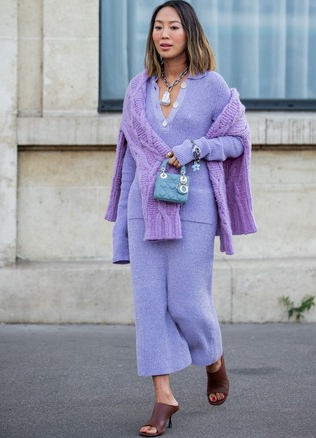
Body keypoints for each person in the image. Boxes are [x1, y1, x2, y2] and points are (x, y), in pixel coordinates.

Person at [105, 1, 256, 435]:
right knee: (151, 305)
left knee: (188, 302)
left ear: (189, 32)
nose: (164, 33)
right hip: (145, 206)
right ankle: (164, 398)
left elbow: (236, 140)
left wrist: (196, 148)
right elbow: (131, 159)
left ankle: (213, 358)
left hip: (195, 204)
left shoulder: (212, 86)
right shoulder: (137, 88)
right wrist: (122, 225)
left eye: (173, 26)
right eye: (157, 26)